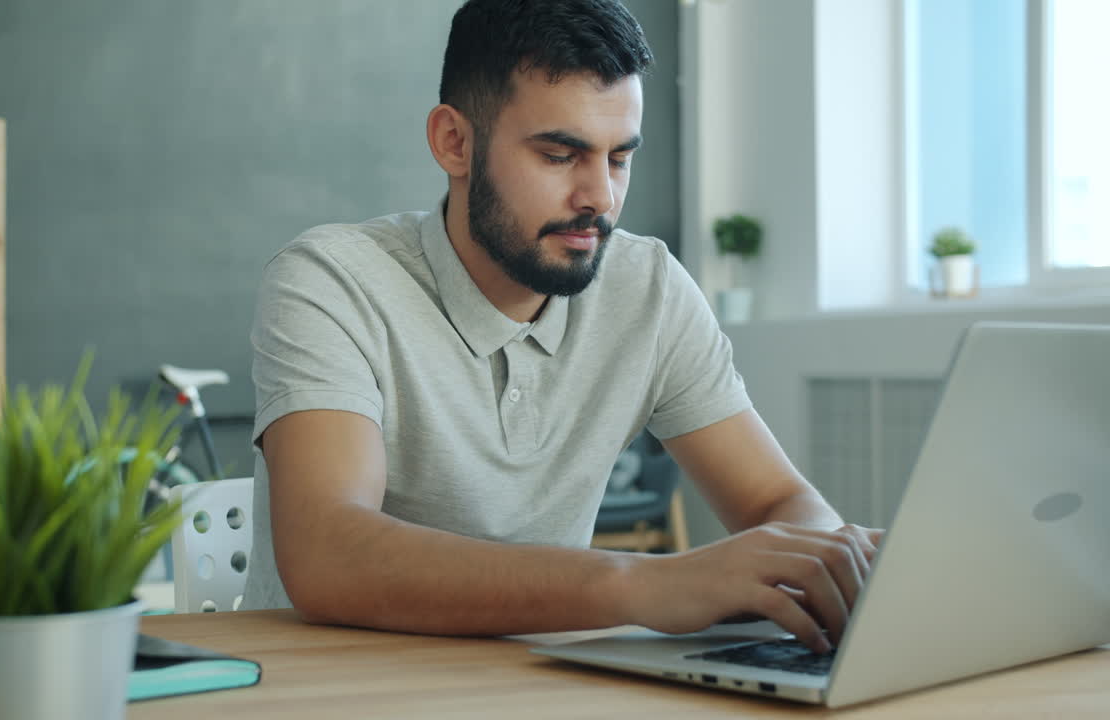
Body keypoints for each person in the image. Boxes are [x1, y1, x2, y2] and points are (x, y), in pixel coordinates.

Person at [243, 0, 881, 654]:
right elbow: (329, 551)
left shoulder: (648, 288)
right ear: (454, 142)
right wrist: (643, 585)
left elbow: (779, 501)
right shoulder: (330, 279)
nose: (600, 197)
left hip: (544, 684)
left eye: (619, 158)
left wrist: (822, 564)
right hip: (328, 686)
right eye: (559, 155)